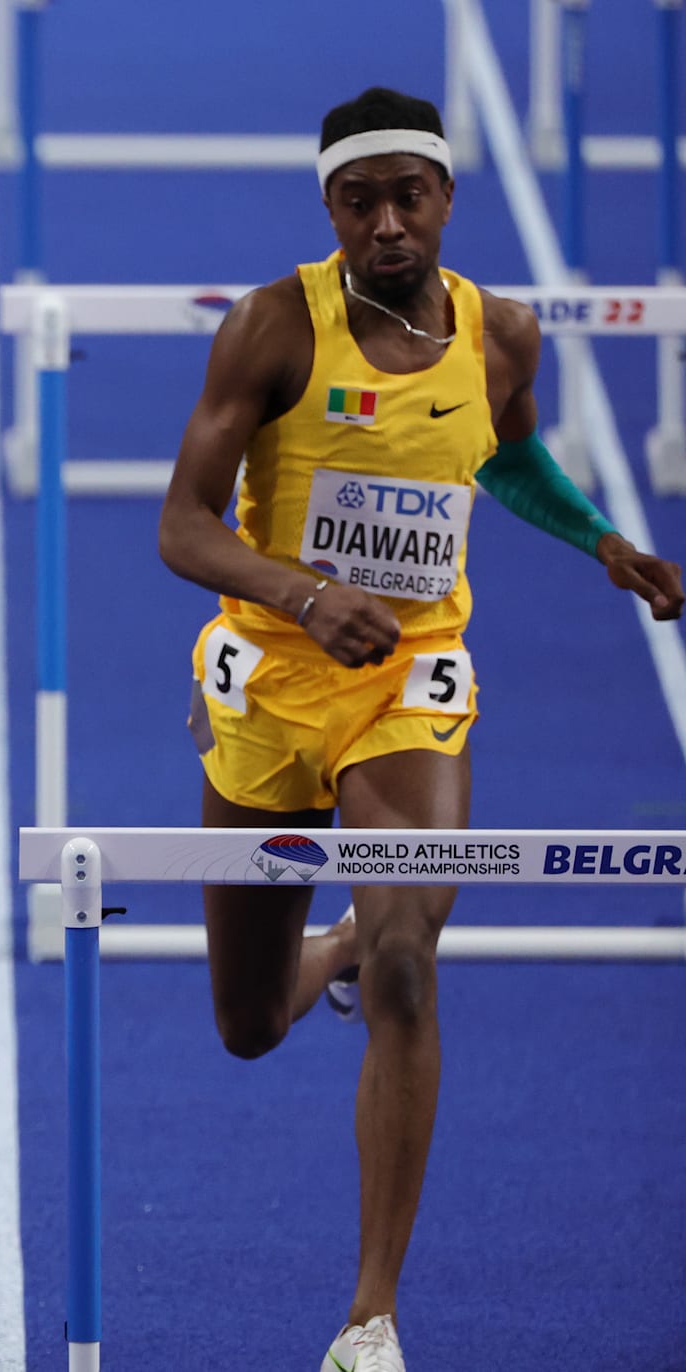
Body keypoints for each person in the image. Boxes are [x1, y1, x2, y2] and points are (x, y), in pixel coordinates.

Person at [159, 86, 683, 1370]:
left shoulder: (501, 333)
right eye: (359, 200)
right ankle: (327, 941)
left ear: (447, 196)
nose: (387, 222)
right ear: (327, 207)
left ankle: (369, 1317)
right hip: (273, 672)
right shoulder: (273, 327)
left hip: (410, 672)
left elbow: (502, 457)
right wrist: (303, 591)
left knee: (409, 955)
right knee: (245, 1022)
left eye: (410, 195)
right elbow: (182, 523)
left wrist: (601, 540)